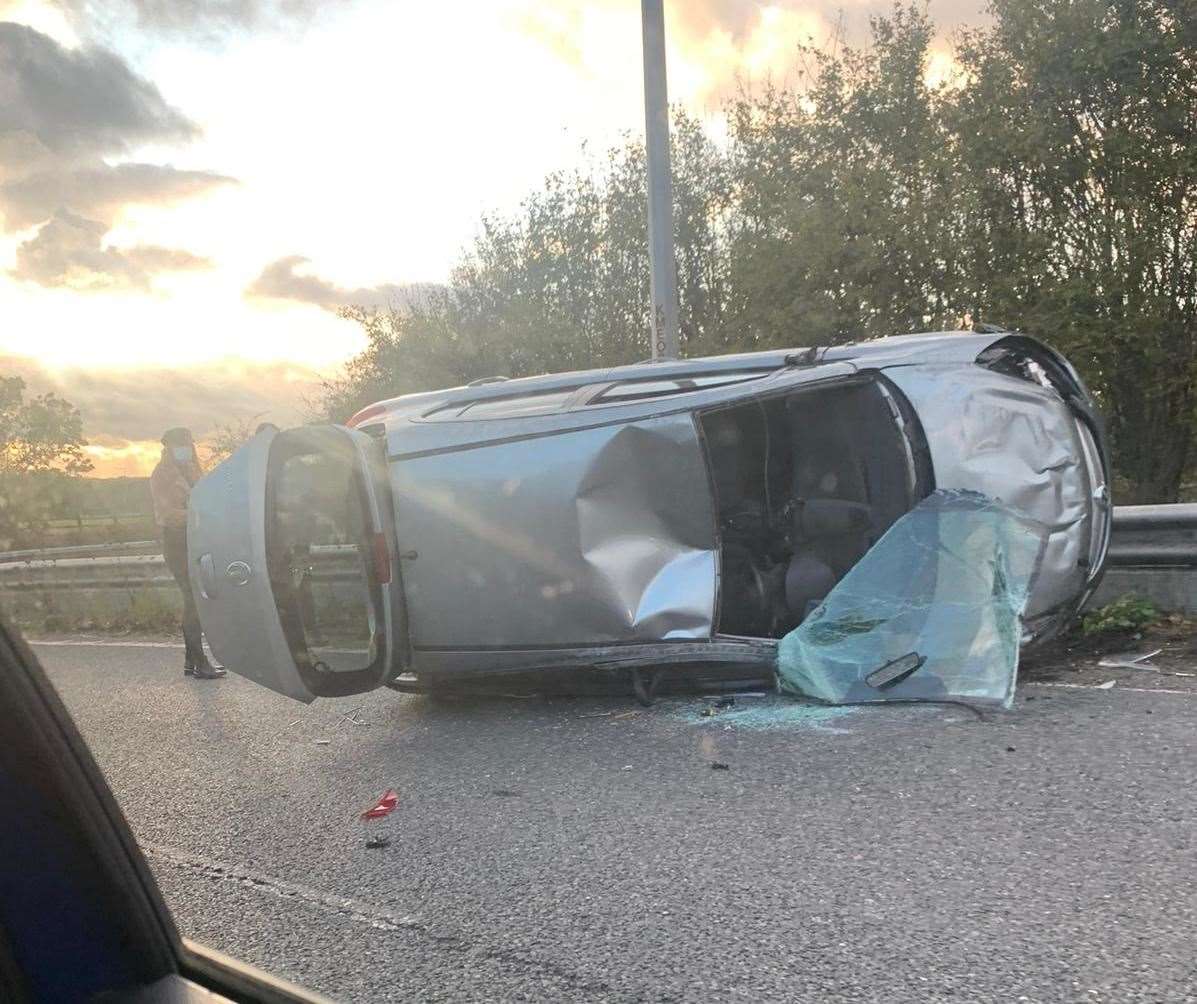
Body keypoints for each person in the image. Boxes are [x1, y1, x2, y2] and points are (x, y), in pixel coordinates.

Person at [150, 427, 225, 680]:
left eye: (187, 443)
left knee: (197, 600)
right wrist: (198, 513)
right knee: (194, 600)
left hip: (196, 541)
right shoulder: (162, 475)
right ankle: (199, 660)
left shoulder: (193, 470)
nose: (185, 448)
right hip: (177, 542)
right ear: (168, 448)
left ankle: (191, 659)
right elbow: (168, 515)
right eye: (179, 444)